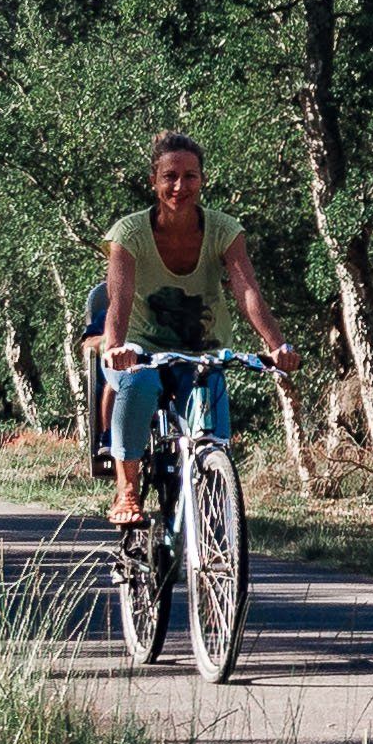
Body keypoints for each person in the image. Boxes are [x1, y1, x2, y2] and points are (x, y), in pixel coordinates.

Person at [99, 132, 293, 526]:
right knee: (138, 386)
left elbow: (247, 291)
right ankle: (127, 490)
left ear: (202, 180)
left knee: (212, 431)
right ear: (153, 181)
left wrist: (277, 346)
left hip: (202, 352)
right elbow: (118, 300)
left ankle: (213, 524)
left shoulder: (224, 230)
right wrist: (117, 347)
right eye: (169, 176)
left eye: (190, 176)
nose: (179, 186)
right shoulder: (129, 234)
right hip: (140, 351)